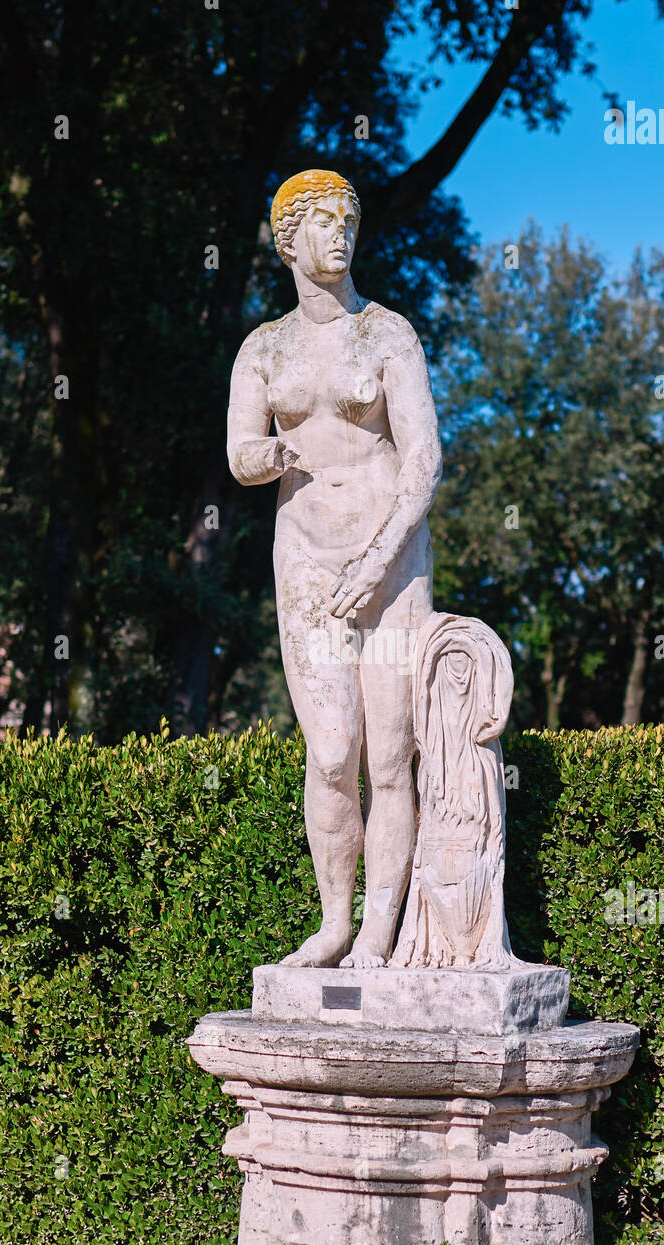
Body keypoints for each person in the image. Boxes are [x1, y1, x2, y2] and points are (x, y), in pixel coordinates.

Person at [227, 169, 441, 968]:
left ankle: (380, 932)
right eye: (320, 222)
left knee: (389, 754)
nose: (339, 233)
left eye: (348, 220)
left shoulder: (387, 334)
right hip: (305, 558)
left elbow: (422, 457)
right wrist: (268, 453)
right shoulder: (265, 346)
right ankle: (333, 922)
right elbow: (239, 451)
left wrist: (383, 551)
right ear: (288, 240)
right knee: (329, 753)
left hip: (388, 560)